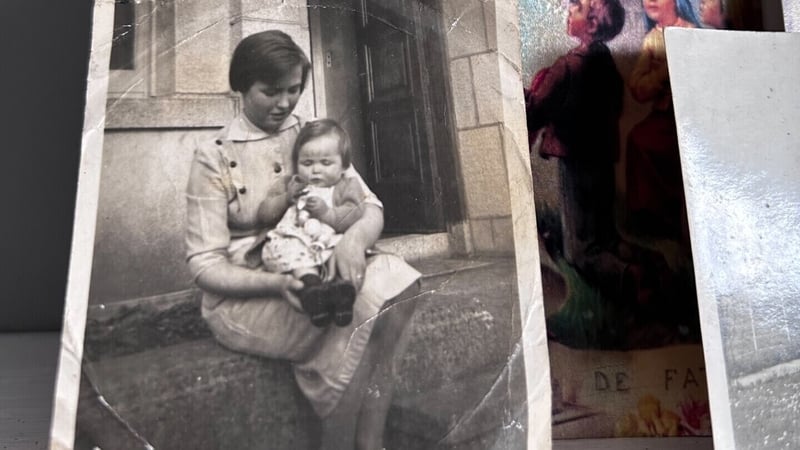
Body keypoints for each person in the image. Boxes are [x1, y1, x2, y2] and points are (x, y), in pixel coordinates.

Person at [185, 30, 421, 449]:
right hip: (249, 294)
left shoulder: (311, 136)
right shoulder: (215, 155)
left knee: (403, 285)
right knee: (360, 308)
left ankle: (370, 440)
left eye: (293, 90)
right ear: (240, 86)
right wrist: (277, 283)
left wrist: (352, 242)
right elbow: (205, 265)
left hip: (321, 257)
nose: (284, 103)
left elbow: (369, 207)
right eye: (271, 91)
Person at [526, 0, 643, 301]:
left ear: (590, 25)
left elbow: (536, 111)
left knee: (579, 252)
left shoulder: (566, 67)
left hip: (575, 164)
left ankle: (628, 278)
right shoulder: (606, 62)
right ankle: (647, 263)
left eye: (576, 7)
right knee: (606, 235)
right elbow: (616, 105)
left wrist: (527, 96)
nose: (568, 10)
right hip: (602, 160)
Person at [247, 119, 368, 328]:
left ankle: (341, 295)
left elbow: (356, 213)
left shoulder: (347, 185)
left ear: (344, 166)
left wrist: (327, 213)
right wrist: (285, 198)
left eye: (326, 163)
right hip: (296, 239)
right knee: (287, 249)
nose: (315, 171)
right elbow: (264, 214)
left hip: (328, 239)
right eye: (307, 163)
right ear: (297, 163)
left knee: (341, 251)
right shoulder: (291, 184)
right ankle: (311, 289)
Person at [625, 0, 698, 241]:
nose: (650, 1)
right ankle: (652, 218)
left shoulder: (691, 32)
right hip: (663, 114)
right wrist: (662, 73)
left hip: (689, 113)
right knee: (638, 138)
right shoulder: (651, 40)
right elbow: (637, 87)